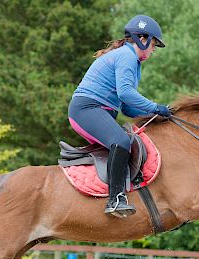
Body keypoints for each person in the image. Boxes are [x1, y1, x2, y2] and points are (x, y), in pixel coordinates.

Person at [68, 15, 171, 218]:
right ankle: (115, 199)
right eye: (154, 45)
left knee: (126, 142)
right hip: (86, 109)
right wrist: (155, 107)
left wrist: (155, 114)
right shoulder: (127, 56)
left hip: (95, 110)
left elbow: (127, 108)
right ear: (143, 39)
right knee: (121, 141)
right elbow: (125, 93)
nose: (153, 51)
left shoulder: (129, 59)